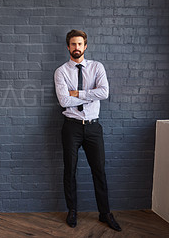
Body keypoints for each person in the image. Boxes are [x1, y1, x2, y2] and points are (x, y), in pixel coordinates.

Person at [54, 30, 121, 232]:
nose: (76, 48)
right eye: (73, 44)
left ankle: (105, 213)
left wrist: (79, 93)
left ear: (85, 46)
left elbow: (105, 92)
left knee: (99, 171)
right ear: (68, 47)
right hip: (71, 127)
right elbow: (64, 101)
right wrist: (91, 95)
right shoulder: (61, 71)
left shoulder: (97, 67)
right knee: (70, 170)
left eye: (80, 44)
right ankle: (72, 210)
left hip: (93, 127)